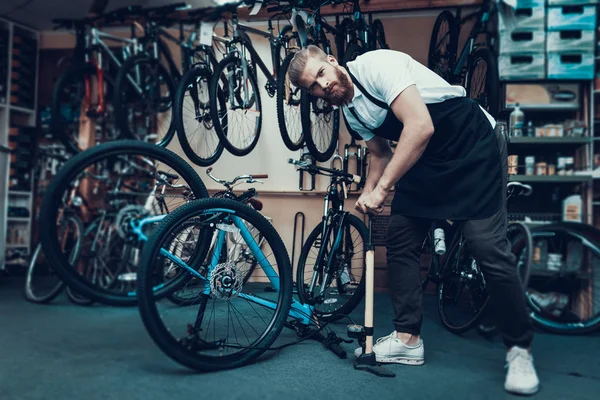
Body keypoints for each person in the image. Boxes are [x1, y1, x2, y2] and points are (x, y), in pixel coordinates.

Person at [287, 45, 539, 396]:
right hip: (429, 159)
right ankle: (408, 338)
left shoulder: (377, 66)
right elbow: (380, 153)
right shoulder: (350, 111)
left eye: (320, 74)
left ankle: (519, 348)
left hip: (471, 144)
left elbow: (419, 126)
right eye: (312, 86)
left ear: (331, 61)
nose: (322, 85)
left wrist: (385, 187)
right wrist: (368, 190)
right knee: (401, 236)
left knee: (487, 247)